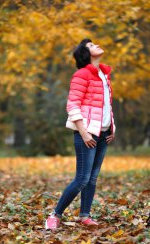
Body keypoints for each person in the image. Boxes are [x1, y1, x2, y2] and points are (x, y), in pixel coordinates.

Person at [45, 38, 116, 230]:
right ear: (85, 54)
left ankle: (85, 215)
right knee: (82, 178)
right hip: (87, 135)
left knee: (92, 178)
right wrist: (84, 133)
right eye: (91, 45)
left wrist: (111, 128)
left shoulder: (104, 75)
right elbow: (73, 105)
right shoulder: (81, 75)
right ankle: (55, 215)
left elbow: (106, 106)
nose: (97, 45)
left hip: (103, 134)